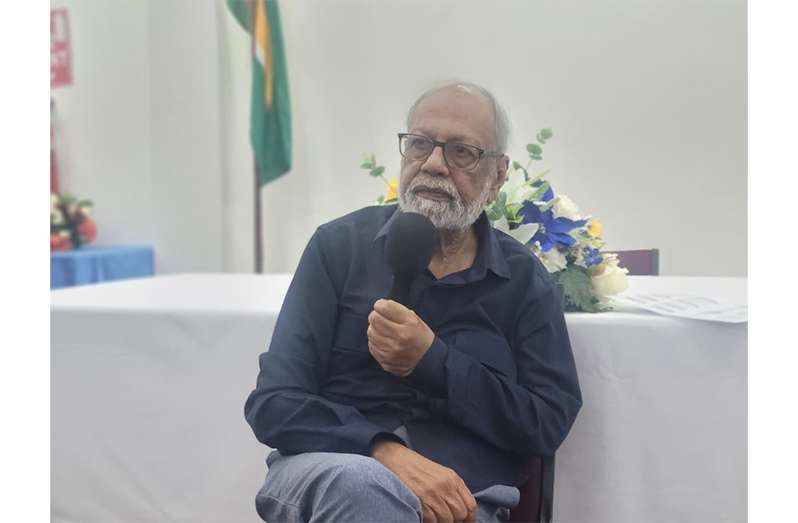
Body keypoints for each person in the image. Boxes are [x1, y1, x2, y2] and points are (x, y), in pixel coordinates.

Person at [245, 82, 582, 523]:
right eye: (420, 143)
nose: (434, 164)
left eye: (461, 151)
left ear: (497, 176)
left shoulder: (522, 279)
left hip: (462, 498)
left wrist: (433, 360)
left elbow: (547, 421)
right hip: (330, 472)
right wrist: (383, 451)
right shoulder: (338, 247)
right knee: (364, 488)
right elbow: (274, 401)